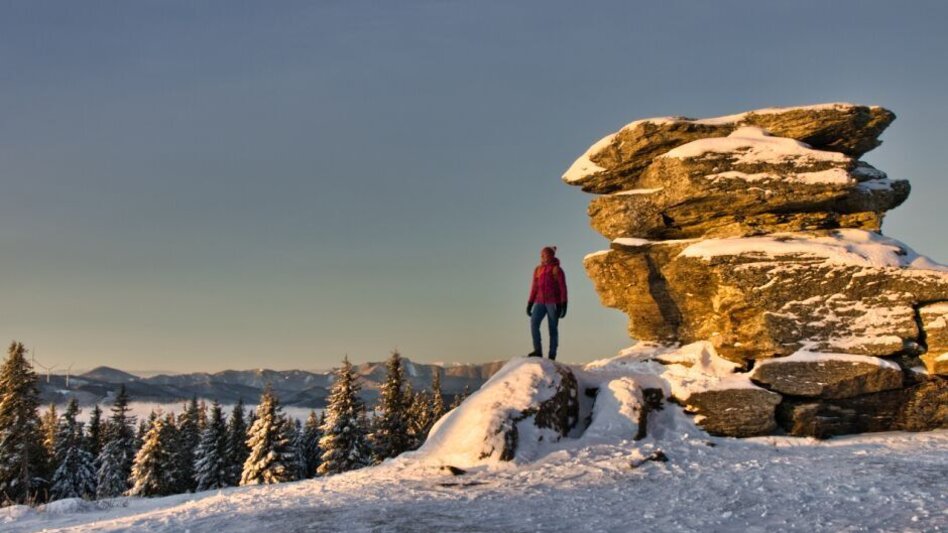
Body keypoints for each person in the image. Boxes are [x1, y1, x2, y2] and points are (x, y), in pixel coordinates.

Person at [526, 246, 568, 360]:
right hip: (539, 302)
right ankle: (538, 351)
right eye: (541, 255)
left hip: (553, 303)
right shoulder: (538, 270)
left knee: (553, 328)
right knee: (534, 323)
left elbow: (563, 288)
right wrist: (530, 303)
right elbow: (534, 287)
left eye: (544, 254)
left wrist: (563, 305)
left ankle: (552, 355)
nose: (542, 257)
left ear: (550, 255)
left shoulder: (557, 270)